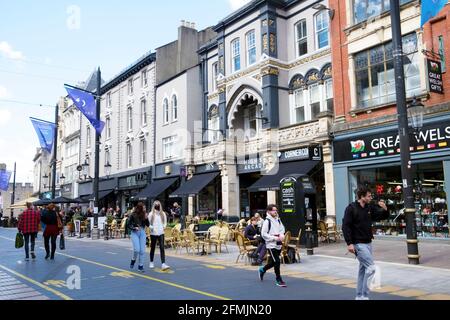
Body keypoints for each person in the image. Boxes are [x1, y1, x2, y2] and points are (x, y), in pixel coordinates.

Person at [343, 186, 389, 300]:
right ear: (362, 196)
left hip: (368, 243)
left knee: (363, 271)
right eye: (368, 196)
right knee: (372, 268)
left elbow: (379, 216)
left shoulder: (369, 207)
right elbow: (345, 226)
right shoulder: (351, 208)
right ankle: (364, 295)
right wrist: (349, 243)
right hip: (358, 244)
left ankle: (359, 296)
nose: (370, 197)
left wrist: (385, 209)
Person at [258, 204, 287, 287]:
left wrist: (281, 235)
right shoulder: (267, 221)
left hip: (278, 244)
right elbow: (263, 234)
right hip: (271, 244)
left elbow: (282, 229)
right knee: (277, 261)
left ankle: (262, 270)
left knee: (273, 262)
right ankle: (278, 279)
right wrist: (274, 238)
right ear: (269, 211)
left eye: (276, 210)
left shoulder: (278, 219)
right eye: (274, 210)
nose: (275, 212)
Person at [148, 200, 170, 270]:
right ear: (154, 206)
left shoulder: (163, 213)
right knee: (153, 247)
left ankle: (163, 263)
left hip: (161, 233)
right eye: (156, 205)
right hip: (153, 233)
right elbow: (148, 223)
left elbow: (165, 222)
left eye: (158, 205)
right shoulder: (151, 214)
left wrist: (164, 226)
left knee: (162, 248)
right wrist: (151, 227)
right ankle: (151, 262)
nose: (157, 206)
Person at [128, 202, 149, 272]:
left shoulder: (144, 215)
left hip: (142, 232)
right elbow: (128, 225)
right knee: (137, 249)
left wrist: (147, 218)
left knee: (142, 251)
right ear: (140, 208)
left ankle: (140, 266)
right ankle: (133, 259)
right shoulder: (133, 214)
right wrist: (134, 228)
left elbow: (148, 225)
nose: (145, 209)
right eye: (144, 208)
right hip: (134, 233)